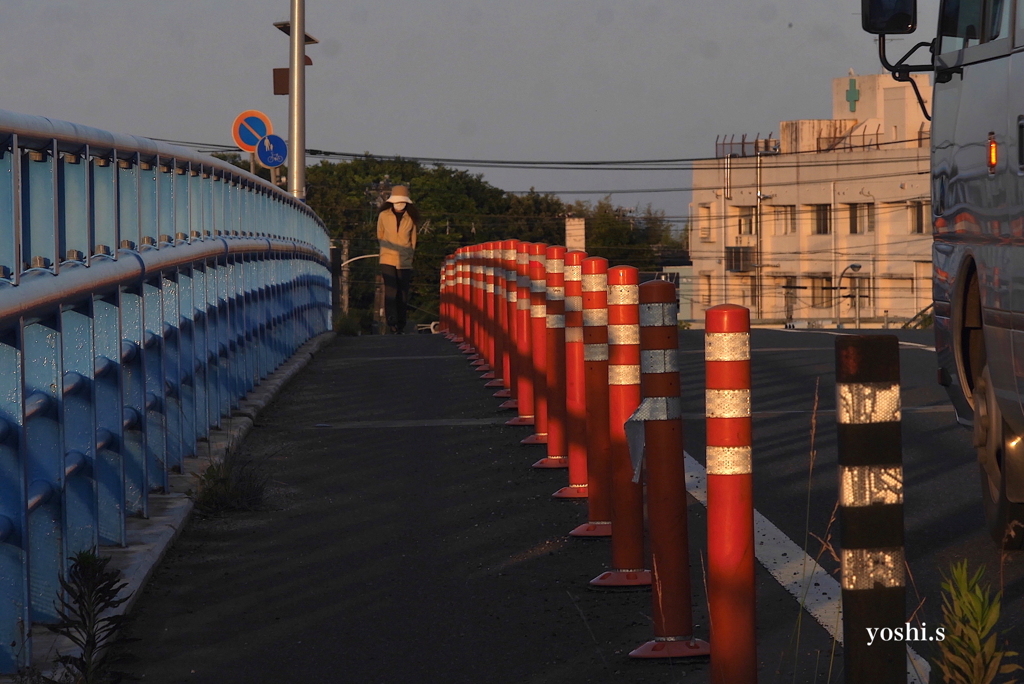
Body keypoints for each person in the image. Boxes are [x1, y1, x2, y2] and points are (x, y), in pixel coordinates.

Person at [376, 185, 418, 333]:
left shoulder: (411, 218)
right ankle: (391, 320)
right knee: (391, 290)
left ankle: (401, 322)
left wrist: (409, 255)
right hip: (387, 258)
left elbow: (413, 240)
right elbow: (380, 235)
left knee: (403, 292)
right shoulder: (384, 215)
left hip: (405, 260)